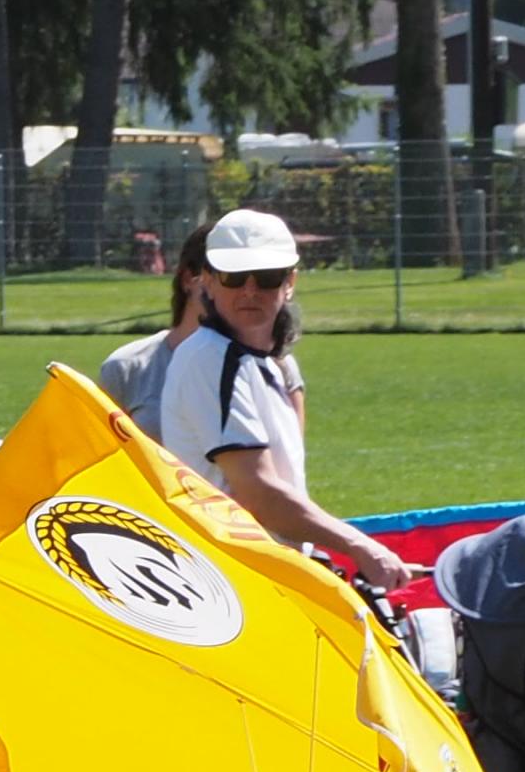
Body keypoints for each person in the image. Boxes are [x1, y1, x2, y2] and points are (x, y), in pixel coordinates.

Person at [153, 209, 412, 592]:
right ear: (207, 280)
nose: (250, 291)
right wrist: (360, 546)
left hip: (258, 577)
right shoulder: (212, 359)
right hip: (235, 582)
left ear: (290, 282)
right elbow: (257, 493)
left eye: (267, 277)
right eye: (234, 276)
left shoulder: (259, 364)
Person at [97, 237, 209, 447]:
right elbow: (99, 455)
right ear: (188, 280)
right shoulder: (127, 368)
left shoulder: (265, 368)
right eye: (224, 278)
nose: (244, 292)